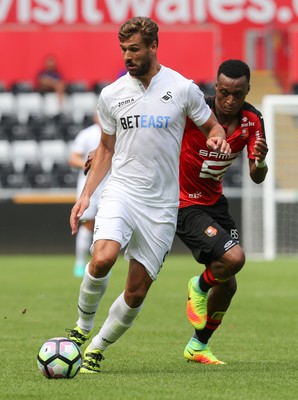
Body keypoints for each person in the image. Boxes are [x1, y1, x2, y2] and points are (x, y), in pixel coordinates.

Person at [67, 16, 230, 374]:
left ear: (153, 47)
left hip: (161, 206)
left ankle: (97, 348)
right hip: (121, 192)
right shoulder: (111, 95)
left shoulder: (182, 88)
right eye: (124, 49)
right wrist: (85, 197)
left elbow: (211, 124)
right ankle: (80, 329)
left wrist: (216, 135)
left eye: (135, 49)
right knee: (103, 258)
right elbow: (105, 149)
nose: (128, 55)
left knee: (137, 292)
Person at [176, 59, 269, 364]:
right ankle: (198, 286)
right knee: (234, 258)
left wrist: (261, 161)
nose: (230, 100)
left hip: (215, 202)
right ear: (215, 87)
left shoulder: (253, 121)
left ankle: (198, 346)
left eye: (238, 94)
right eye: (224, 92)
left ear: (247, 91)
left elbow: (257, 176)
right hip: (183, 201)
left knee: (228, 282)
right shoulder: (196, 110)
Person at [68, 113, 110, 278]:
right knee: (86, 222)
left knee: (106, 225)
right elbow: (73, 158)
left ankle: (101, 261)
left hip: (110, 184)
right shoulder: (87, 134)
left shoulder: (118, 133)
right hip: (89, 186)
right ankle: (80, 262)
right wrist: (91, 164)